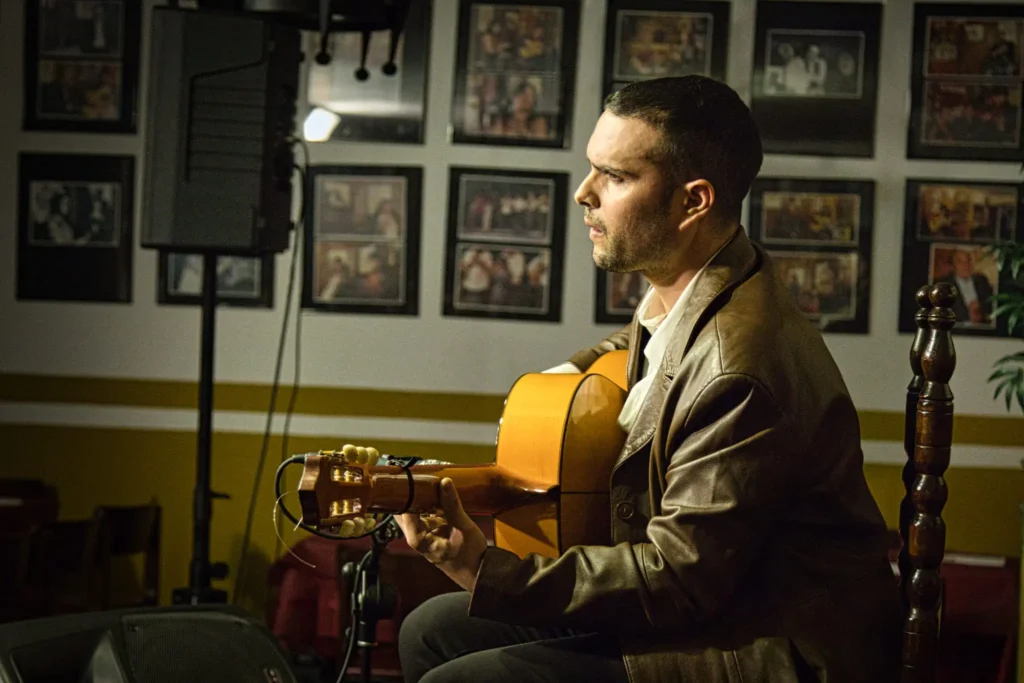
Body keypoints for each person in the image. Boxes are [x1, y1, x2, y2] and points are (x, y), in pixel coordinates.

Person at [392, 75, 902, 683]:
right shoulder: (708, 282)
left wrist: (484, 568)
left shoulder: (736, 372)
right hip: (717, 609)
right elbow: (647, 346)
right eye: (592, 170)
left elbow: (678, 580)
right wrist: (571, 373)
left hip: (771, 646)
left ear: (694, 202)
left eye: (616, 177)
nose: (584, 193)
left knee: (461, 680)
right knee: (431, 629)